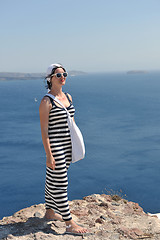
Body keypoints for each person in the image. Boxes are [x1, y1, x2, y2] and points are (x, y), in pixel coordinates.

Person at [39, 63, 88, 235]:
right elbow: (44, 132)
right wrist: (49, 155)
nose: (62, 77)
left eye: (64, 74)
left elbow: (71, 123)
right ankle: (69, 224)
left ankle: (49, 212)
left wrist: (77, 145)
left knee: (52, 179)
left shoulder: (68, 97)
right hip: (56, 147)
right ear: (50, 79)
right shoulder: (47, 101)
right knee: (61, 183)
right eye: (58, 75)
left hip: (68, 146)